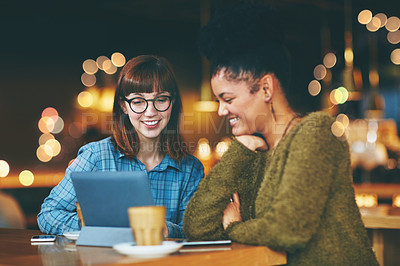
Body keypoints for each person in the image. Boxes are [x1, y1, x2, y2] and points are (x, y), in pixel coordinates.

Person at [183, 3, 378, 265]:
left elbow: (288, 229)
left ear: (265, 88)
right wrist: (238, 152)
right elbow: (197, 227)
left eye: (227, 98)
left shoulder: (315, 134)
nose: (220, 110)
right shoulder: (250, 153)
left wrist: (234, 228)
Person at [38, 55, 204, 238]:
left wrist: (165, 229)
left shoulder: (191, 169)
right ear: (123, 106)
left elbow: (194, 232)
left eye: (161, 100)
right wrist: (92, 226)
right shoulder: (96, 156)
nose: (150, 112)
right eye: (138, 101)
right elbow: (48, 214)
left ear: (172, 103)